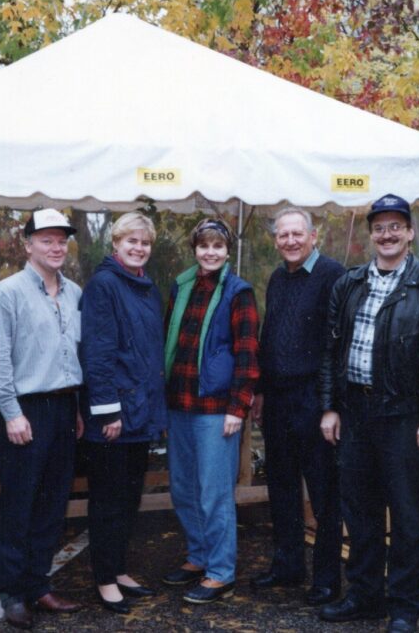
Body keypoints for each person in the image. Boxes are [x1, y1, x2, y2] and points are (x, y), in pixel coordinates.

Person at [317, 194, 419, 633]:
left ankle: (404, 606)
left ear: (410, 233)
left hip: (404, 416)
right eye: (379, 227)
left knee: (406, 516)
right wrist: (330, 407)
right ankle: (364, 596)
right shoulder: (349, 283)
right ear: (371, 235)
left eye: (395, 226)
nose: (387, 234)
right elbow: (330, 352)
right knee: (359, 513)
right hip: (356, 414)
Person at [0, 208, 85, 630]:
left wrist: (76, 410)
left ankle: (39, 585)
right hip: (25, 410)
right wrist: (11, 413)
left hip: (63, 408)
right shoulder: (7, 294)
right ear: (28, 245)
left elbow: (74, 356)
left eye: (62, 240)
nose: (56, 247)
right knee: (19, 505)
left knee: (52, 504)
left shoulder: (75, 293)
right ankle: (13, 592)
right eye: (46, 239)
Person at [250, 208, 346, 606]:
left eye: (297, 234)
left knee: (324, 496)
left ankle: (326, 581)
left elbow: (337, 345)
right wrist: (259, 390)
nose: (290, 241)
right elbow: (271, 335)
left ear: (313, 236)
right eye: (283, 235)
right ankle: (288, 565)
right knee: (282, 488)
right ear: (276, 240)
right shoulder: (277, 277)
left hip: (314, 400)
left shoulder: (333, 275)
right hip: (278, 401)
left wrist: (331, 406)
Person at [161, 217, 260, 605]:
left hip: (217, 409)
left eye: (218, 246)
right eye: (204, 246)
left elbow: (249, 355)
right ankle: (198, 556)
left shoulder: (239, 293)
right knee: (184, 488)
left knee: (214, 492)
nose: (211, 252)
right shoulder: (182, 287)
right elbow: (170, 342)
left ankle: (221, 571)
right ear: (195, 249)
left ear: (227, 250)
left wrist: (238, 407)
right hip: (179, 405)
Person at [79, 212, 167, 615]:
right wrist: (108, 413)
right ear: (115, 244)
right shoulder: (103, 285)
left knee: (130, 498)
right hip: (113, 417)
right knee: (108, 500)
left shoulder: (146, 287)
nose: (138, 248)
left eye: (145, 242)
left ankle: (119, 569)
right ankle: (103, 578)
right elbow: (97, 354)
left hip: (141, 412)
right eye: (131, 241)